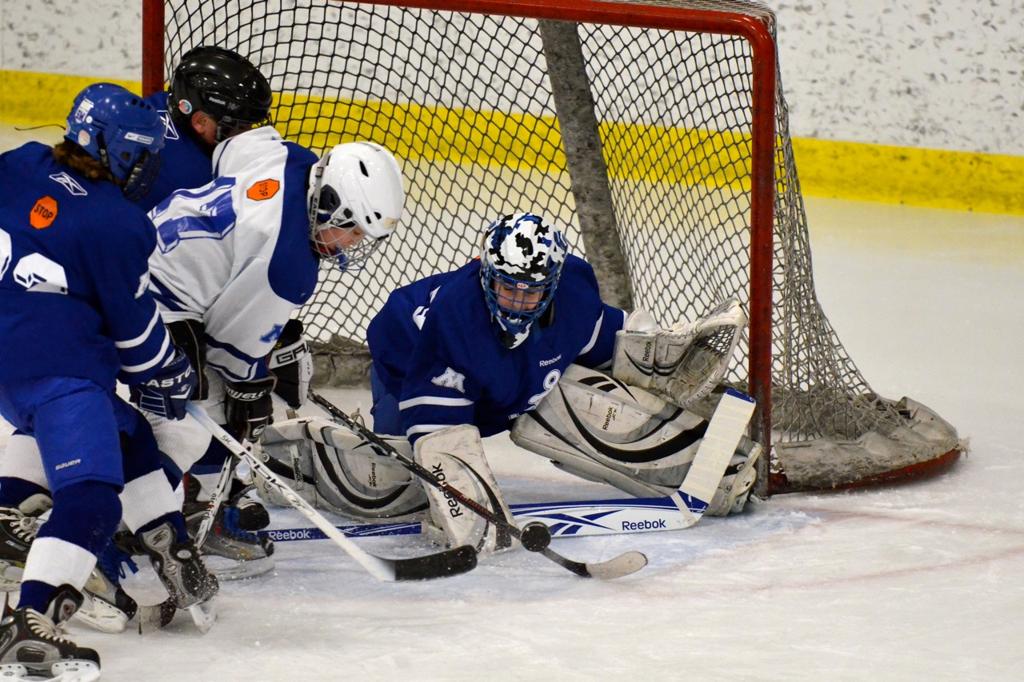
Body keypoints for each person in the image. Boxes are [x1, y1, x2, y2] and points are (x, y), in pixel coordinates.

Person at [257, 213, 759, 554]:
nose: (517, 301)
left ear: (555, 282)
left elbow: (613, 350)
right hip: (411, 366)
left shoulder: (575, 294)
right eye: (506, 287)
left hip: (510, 381)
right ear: (485, 273)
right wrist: (474, 516)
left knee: (576, 402)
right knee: (393, 487)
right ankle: (284, 461)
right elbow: (443, 439)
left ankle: (706, 470)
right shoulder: (454, 321)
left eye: (531, 291)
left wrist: (664, 363)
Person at [0, 83, 217, 678]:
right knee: (92, 494)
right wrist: (170, 376)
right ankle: (31, 622)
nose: (149, 169)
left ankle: (164, 534)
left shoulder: (18, 163)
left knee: (122, 432)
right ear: (120, 152)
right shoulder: (116, 221)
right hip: (58, 371)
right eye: (143, 156)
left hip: (7, 365)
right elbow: (135, 334)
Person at [140, 124, 405, 577]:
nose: (354, 246)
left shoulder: (291, 160)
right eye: (353, 231)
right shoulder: (288, 267)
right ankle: (173, 509)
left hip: (143, 258)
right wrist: (251, 395)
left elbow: (235, 146)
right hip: (149, 304)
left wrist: (268, 348)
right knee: (203, 415)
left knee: (243, 382)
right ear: (329, 207)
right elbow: (231, 352)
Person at [137, 45, 273, 212]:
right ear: (200, 122)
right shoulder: (196, 181)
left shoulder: (156, 104)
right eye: (239, 126)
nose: (248, 133)